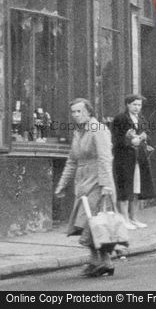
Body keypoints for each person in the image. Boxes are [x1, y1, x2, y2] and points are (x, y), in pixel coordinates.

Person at [54, 98, 118, 278]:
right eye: (73, 112)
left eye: (79, 111)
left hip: (98, 181)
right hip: (82, 183)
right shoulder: (78, 132)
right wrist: (62, 184)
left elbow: (106, 157)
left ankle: (103, 261)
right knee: (88, 223)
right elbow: (72, 161)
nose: (75, 115)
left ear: (89, 112)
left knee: (94, 223)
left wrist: (106, 184)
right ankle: (98, 261)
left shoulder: (98, 129)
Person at [112, 94, 155, 230]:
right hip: (124, 158)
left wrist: (143, 136)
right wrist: (130, 141)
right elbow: (116, 138)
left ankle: (133, 217)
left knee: (136, 188)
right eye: (134, 104)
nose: (137, 108)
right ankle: (124, 218)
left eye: (139, 105)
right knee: (125, 188)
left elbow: (147, 131)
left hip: (139, 158)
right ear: (128, 105)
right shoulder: (120, 118)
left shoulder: (141, 118)